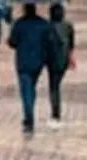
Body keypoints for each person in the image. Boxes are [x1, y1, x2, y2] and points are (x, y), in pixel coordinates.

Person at [8, 1, 52, 133]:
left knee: (26, 91)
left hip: (23, 62)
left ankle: (29, 117)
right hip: (38, 62)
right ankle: (29, 111)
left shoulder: (19, 24)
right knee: (31, 88)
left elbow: (13, 42)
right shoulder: (44, 24)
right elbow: (48, 42)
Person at [47, 2, 73, 123]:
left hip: (52, 59)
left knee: (54, 86)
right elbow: (72, 44)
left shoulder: (48, 26)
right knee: (56, 85)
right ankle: (56, 111)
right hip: (64, 59)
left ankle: (55, 112)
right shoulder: (68, 26)